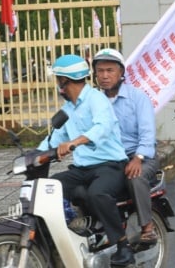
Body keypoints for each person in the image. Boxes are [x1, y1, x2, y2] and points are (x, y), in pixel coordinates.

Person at [36, 54, 134, 266]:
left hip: (111, 165)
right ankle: (68, 233)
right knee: (49, 187)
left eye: (58, 79)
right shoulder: (68, 109)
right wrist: (33, 156)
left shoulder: (96, 99)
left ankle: (123, 245)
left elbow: (102, 127)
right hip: (83, 168)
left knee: (97, 193)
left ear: (64, 80)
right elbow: (54, 138)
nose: (57, 84)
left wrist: (75, 143)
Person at [92, 48, 160, 245]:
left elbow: (148, 135)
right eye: (100, 71)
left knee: (134, 177)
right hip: (109, 158)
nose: (104, 76)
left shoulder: (138, 98)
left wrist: (138, 158)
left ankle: (147, 227)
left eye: (110, 70)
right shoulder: (95, 101)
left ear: (121, 72)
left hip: (140, 156)